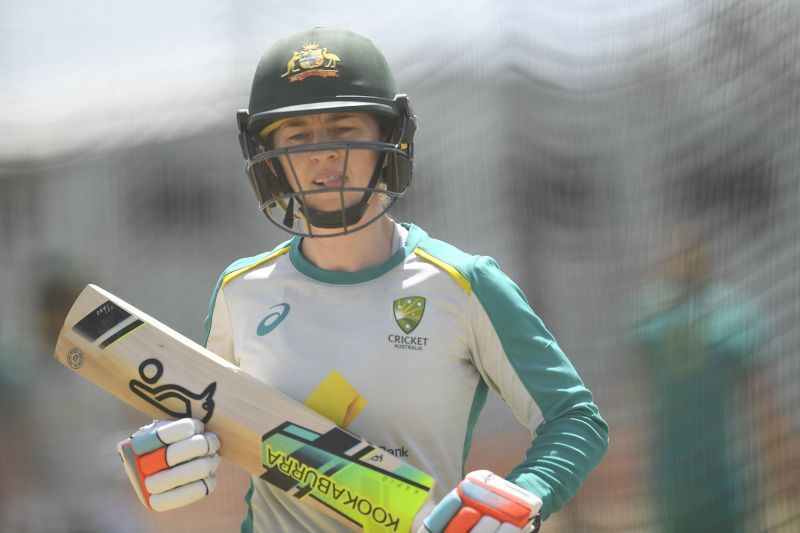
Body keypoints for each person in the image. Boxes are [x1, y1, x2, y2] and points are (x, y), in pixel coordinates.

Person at [117, 28, 608, 532]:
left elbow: (574, 420)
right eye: (297, 136)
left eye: (344, 129)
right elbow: (202, 425)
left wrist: (525, 495)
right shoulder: (240, 292)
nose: (323, 154)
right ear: (269, 157)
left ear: (389, 138)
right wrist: (167, 452)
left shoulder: (464, 284)